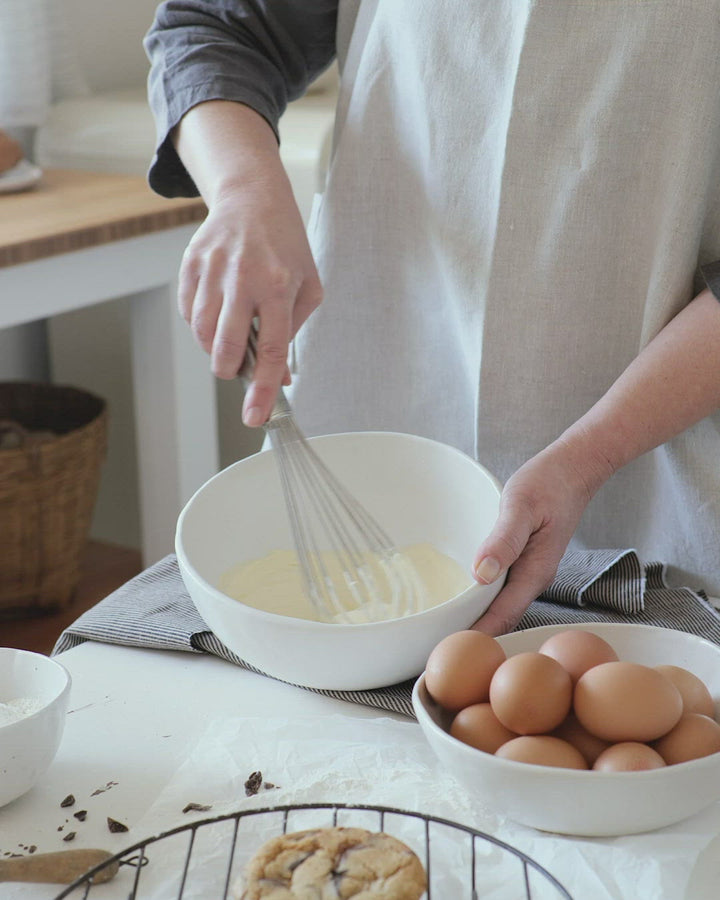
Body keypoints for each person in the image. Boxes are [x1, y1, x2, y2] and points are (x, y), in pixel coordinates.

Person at [144, 1, 720, 634]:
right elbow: (218, 28)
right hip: (381, 395)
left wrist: (588, 459)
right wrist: (243, 189)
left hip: (663, 483)